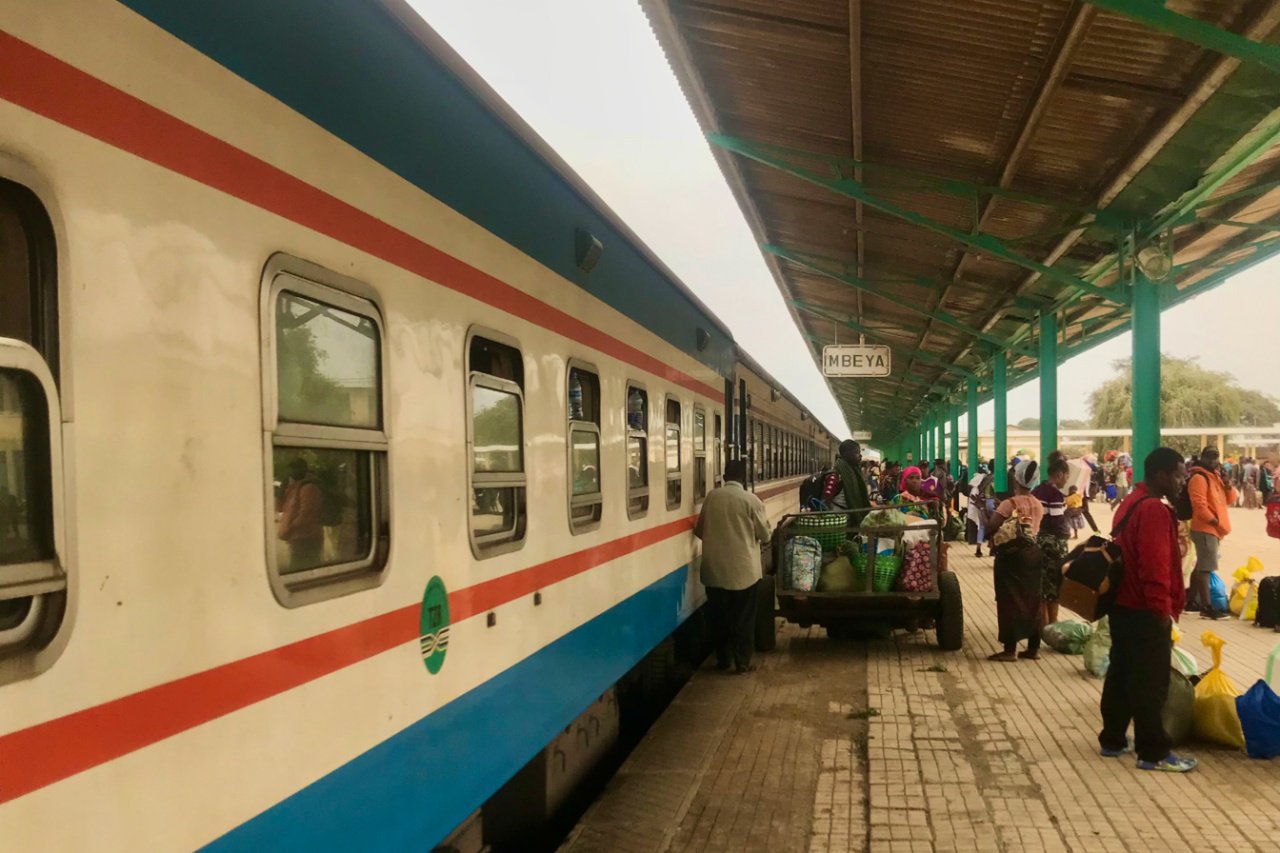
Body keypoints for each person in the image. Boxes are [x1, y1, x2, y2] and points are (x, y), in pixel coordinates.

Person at [1098, 446, 1197, 772]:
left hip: (1123, 605)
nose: (1183, 481)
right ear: (1161, 475)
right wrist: (1161, 611)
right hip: (1144, 608)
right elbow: (1155, 567)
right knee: (1151, 683)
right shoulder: (1153, 509)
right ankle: (1152, 752)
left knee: (1122, 672)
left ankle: (1112, 740)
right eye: (1180, 475)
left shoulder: (1131, 502)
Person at [694, 459, 771, 674]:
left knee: (719, 619)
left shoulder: (711, 498)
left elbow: (699, 531)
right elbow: (764, 536)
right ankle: (742, 662)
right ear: (744, 477)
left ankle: (723, 660)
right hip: (744, 572)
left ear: (724, 476)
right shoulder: (751, 500)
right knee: (743, 619)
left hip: (714, 571)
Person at [986, 459, 1045, 661]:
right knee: (1033, 599)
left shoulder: (1008, 504)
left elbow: (992, 527)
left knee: (1009, 600)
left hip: (1011, 556)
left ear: (1015, 479)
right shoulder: (1038, 504)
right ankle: (1033, 648)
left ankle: (1009, 650)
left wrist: (986, 513)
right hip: (1033, 554)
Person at [1185, 446, 1238, 619]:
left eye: (1215, 457)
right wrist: (1215, 521)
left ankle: (1191, 602)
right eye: (1209, 457)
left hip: (1215, 528)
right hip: (1205, 527)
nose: (1213, 461)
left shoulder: (1214, 477)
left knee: (1202, 564)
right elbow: (1198, 505)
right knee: (1207, 567)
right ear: (1202, 458)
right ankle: (1206, 607)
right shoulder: (1199, 478)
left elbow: (1230, 499)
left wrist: (1227, 482)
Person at [1032, 452, 1072, 627]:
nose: (1066, 481)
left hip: (1038, 540)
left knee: (1041, 586)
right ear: (1059, 474)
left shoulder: (1037, 490)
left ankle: (1042, 624)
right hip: (1053, 544)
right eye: (1066, 477)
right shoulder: (1055, 495)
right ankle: (1053, 624)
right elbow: (1057, 522)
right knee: (1054, 586)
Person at [277, 457, 324, 571]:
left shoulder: (309, 487)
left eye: (295, 469)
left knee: (300, 569)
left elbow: (307, 515)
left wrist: (291, 527)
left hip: (306, 538)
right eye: (291, 470)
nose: (292, 473)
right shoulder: (294, 488)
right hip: (297, 537)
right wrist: (281, 493)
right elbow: (281, 509)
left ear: (303, 469)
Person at [822, 440, 872, 515]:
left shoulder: (853, 472)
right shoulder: (835, 475)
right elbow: (825, 500)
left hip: (849, 515)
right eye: (857, 453)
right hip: (841, 518)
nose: (860, 455)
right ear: (846, 453)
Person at [967, 470, 993, 558]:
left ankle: (978, 549)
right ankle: (992, 549)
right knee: (994, 526)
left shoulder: (983, 478)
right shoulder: (997, 478)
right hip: (992, 502)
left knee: (981, 526)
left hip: (981, 502)